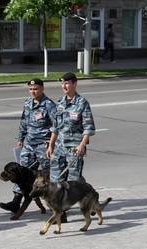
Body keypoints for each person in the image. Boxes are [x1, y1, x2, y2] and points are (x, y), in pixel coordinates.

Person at [0, 78, 56, 213]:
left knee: (49, 175)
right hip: (29, 144)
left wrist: (51, 144)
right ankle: (16, 202)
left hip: (43, 144)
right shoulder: (28, 103)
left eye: (35, 89)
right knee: (21, 173)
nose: (33, 91)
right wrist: (21, 137)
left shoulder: (49, 105)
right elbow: (24, 121)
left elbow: (56, 126)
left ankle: (56, 202)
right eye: (30, 89)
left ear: (42, 88)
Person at [46, 72, 96, 222]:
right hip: (59, 147)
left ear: (74, 84)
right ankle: (61, 214)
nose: (64, 86)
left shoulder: (82, 103)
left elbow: (88, 127)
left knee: (74, 181)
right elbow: (55, 127)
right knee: (56, 180)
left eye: (67, 83)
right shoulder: (59, 102)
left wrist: (82, 145)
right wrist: (51, 145)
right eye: (62, 84)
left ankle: (91, 200)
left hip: (74, 147)